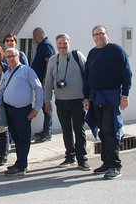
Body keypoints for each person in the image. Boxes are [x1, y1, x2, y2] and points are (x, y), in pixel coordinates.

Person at [84, 25, 133, 180]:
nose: (98, 36)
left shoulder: (116, 50)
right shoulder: (92, 53)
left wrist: (125, 95)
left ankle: (115, 166)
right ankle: (106, 162)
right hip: (95, 98)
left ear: (107, 35)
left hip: (111, 97)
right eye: (95, 34)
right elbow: (87, 77)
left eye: (101, 33)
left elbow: (127, 73)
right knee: (103, 132)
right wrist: (86, 97)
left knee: (111, 131)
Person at [0, 48, 43, 176]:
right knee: (16, 138)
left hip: (22, 111)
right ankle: (19, 162)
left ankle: (22, 166)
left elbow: (38, 88)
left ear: (18, 56)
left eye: (12, 56)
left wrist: (37, 108)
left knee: (23, 138)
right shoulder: (7, 73)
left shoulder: (27, 71)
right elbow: (2, 90)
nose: (10, 59)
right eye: (7, 57)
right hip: (9, 110)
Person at [44, 33, 88, 170]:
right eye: (59, 44)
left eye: (65, 44)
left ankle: (82, 159)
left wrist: (87, 97)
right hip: (61, 101)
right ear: (56, 45)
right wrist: (46, 101)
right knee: (66, 130)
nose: (62, 46)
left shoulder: (77, 56)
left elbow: (87, 76)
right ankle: (70, 157)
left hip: (78, 100)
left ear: (69, 43)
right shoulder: (53, 60)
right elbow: (48, 82)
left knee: (78, 129)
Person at [30, 27, 56, 142]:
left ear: (40, 34)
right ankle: (46, 130)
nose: (34, 39)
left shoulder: (46, 45)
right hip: (40, 81)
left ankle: (48, 132)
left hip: (45, 81)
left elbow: (49, 62)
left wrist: (45, 78)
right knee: (43, 104)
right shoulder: (42, 45)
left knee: (46, 105)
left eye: (35, 36)